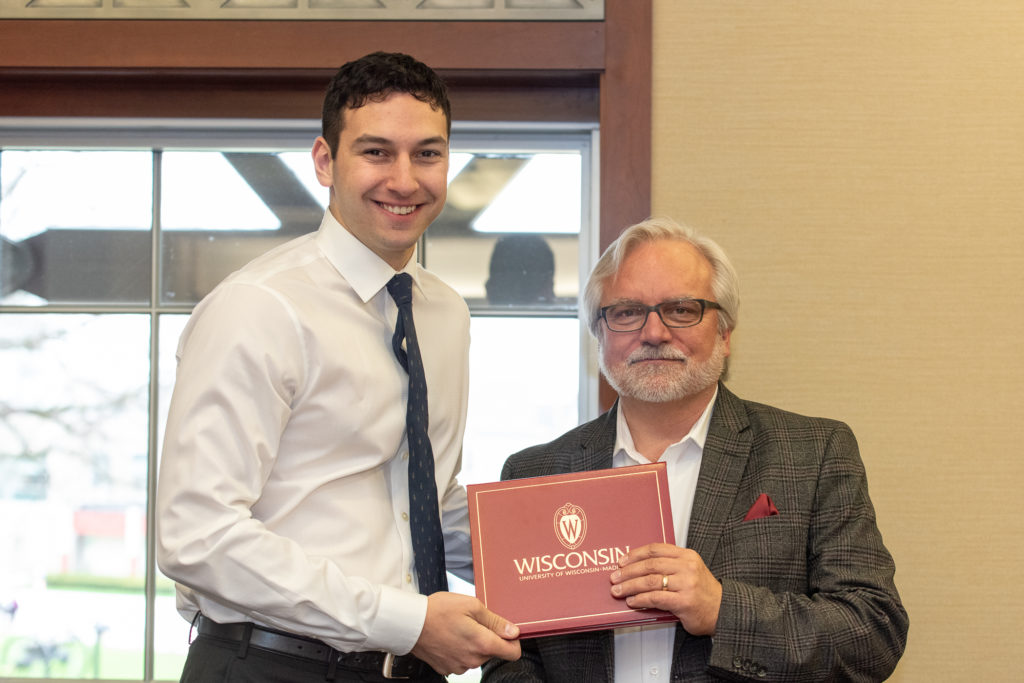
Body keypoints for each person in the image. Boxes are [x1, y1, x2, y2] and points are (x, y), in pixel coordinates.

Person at [157, 51, 521, 682]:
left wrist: (571, 551)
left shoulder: (444, 313)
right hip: (266, 664)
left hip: (401, 668)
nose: (405, 180)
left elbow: (423, 499)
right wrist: (406, 622)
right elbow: (197, 534)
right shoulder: (260, 307)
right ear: (326, 161)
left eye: (427, 154)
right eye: (377, 152)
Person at [482, 216, 908, 682]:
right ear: (599, 336)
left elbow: (873, 633)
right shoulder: (534, 473)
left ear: (725, 334)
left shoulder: (814, 453)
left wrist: (723, 610)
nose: (654, 332)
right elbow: (508, 659)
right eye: (626, 312)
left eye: (681, 309)